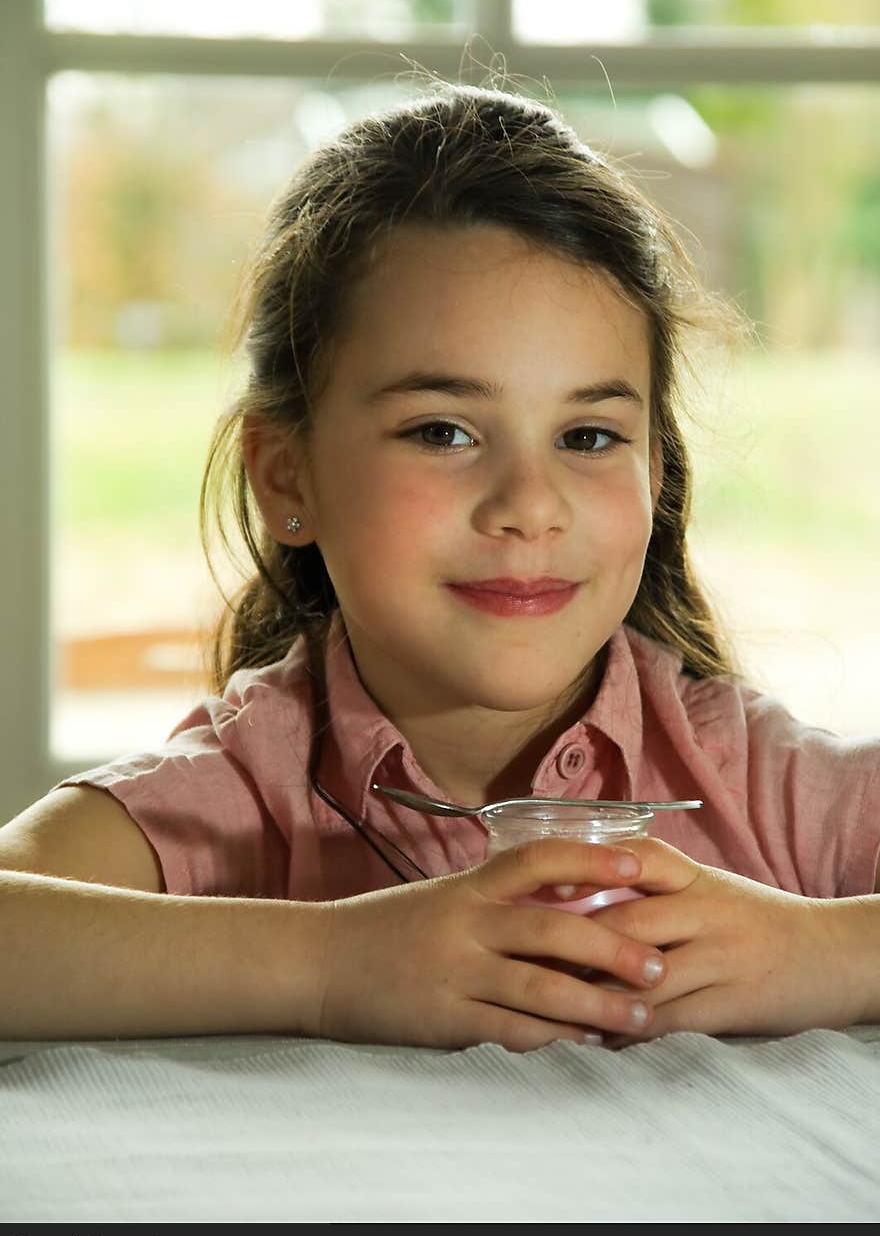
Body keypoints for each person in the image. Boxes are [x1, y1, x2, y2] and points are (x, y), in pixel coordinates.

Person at [1, 84, 878, 1050]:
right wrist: (334, 965)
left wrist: (824, 949)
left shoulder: (761, 783)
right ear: (287, 474)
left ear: (657, 473)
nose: (530, 505)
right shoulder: (237, 799)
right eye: (444, 430)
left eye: (588, 435)